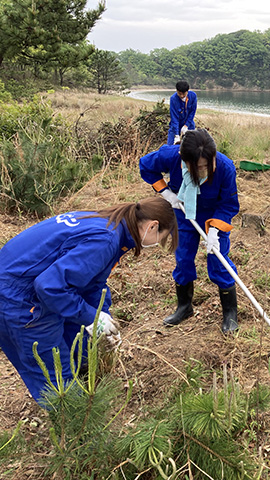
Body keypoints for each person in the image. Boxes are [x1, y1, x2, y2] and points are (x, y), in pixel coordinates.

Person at [0, 197, 178, 405]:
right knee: (57, 378)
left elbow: (92, 282)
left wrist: (103, 319)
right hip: (20, 299)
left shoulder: (108, 223)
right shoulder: (105, 239)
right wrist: (91, 317)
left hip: (21, 283)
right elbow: (49, 286)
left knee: (75, 342)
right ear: (152, 225)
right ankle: (77, 429)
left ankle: (82, 399)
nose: (157, 244)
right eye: (161, 238)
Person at [140, 128, 241, 333]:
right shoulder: (170, 156)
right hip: (184, 212)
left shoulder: (225, 167)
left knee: (218, 261)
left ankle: (230, 314)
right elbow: (145, 166)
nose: (203, 169)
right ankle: (184, 307)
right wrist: (166, 192)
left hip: (214, 215)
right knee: (183, 257)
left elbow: (229, 204)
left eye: (207, 164)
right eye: (197, 166)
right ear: (184, 160)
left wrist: (214, 231)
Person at [167, 81, 198, 146]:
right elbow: (174, 117)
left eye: (183, 94)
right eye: (179, 93)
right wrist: (176, 135)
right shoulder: (173, 99)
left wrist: (186, 125)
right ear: (177, 91)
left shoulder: (193, 96)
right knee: (170, 147)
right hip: (175, 126)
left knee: (192, 146)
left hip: (189, 125)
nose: (181, 96)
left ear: (187, 91)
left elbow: (192, 112)